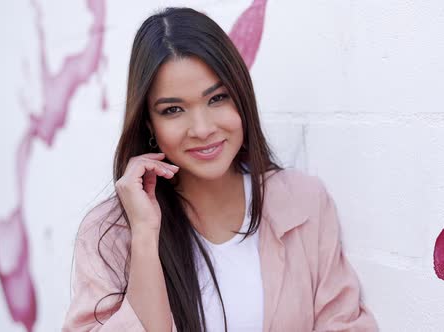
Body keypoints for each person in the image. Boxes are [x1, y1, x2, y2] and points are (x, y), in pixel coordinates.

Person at [62, 7, 377, 332]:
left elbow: (345, 324)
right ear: (149, 124)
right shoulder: (109, 233)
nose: (201, 128)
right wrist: (144, 236)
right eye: (173, 110)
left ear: (241, 97)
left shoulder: (302, 201)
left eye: (217, 99)